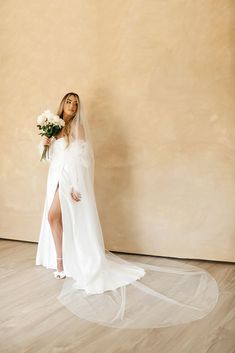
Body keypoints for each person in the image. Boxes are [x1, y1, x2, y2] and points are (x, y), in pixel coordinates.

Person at [36, 92, 219, 328]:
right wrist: (46, 144)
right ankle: (60, 260)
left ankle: (62, 264)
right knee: (53, 219)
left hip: (69, 180)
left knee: (54, 217)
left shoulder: (78, 129)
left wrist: (74, 186)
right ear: (62, 104)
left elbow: (81, 160)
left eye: (75, 103)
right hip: (55, 178)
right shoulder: (55, 127)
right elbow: (48, 158)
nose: (72, 106)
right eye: (69, 102)